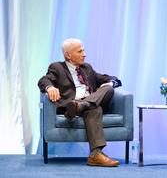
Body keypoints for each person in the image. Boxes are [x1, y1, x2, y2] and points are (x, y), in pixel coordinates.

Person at [38, 38, 122, 167]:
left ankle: (82, 105)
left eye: (83, 50)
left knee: (108, 89)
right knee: (95, 108)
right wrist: (50, 87)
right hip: (70, 105)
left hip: (83, 104)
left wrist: (111, 82)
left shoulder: (87, 68)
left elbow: (111, 79)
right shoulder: (57, 67)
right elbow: (44, 80)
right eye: (80, 51)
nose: (84, 54)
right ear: (68, 55)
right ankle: (96, 155)